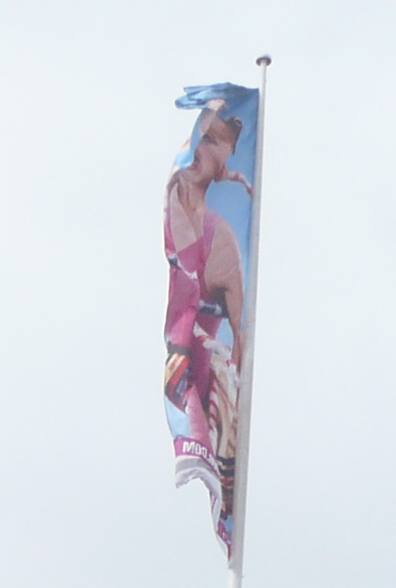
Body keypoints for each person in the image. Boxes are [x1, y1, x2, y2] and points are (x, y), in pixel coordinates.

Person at [164, 101, 252, 525]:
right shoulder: (174, 205)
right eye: (198, 138)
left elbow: (241, 334)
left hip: (203, 383)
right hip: (181, 373)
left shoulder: (223, 243)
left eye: (212, 140)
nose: (198, 147)